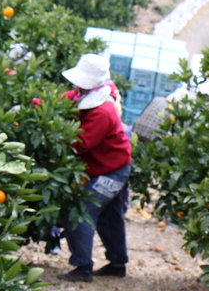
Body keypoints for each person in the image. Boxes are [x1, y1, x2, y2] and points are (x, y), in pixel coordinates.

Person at [58, 54, 132, 282]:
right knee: (109, 216)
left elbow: (79, 145)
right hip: (108, 166)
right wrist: (40, 104)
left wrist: (52, 134)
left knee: (81, 210)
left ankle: (83, 268)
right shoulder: (89, 93)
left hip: (113, 170)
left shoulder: (102, 110)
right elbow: (69, 98)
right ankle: (117, 264)